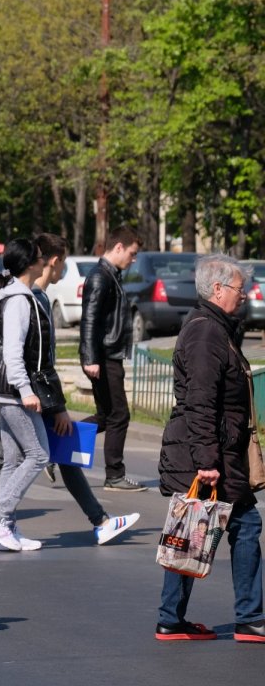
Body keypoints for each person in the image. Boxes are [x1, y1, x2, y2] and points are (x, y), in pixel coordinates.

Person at [0, 234, 139, 549]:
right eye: (62, 260)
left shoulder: (31, 297)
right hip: (25, 392)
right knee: (40, 454)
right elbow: (29, 357)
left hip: (24, 392)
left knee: (13, 457)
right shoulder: (26, 298)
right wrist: (53, 403)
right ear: (51, 261)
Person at [156, 254, 263, 643]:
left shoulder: (216, 328)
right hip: (206, 455)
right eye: (239, 288)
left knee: (191, 534)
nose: (245, 294)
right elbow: (200, 401)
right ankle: (250, 617)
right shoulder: (206, 333)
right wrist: (206, 461)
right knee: (239, 527)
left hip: (215, 451)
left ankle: (171, 619)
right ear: (217, 289)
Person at [0, 238, 52, 552]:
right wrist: (25, 389)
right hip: (13, 392)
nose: (44, 260)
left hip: (4, 391)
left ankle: (4, 529)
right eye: (40, 256)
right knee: (38, 455)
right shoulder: (19, 299)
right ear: (30, 263)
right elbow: (13, 352)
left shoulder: (16, 295)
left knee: (14, 459)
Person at [80, 225, 145, 491]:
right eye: (131, 253)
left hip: (107, 355)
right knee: (119, 415)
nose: (133, 259)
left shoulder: (111, 275)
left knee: (107, 416)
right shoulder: (100, 277)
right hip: (104, 358)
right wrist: (90, 358)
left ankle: (55, 443)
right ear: (118, 247)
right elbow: (90, 320)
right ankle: (115, 475)